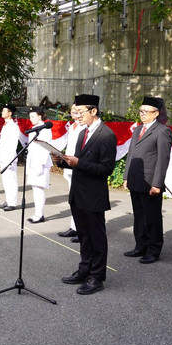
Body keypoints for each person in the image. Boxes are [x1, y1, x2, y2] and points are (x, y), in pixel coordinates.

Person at [55, 94, 117, 295]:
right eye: (75, 111)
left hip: (94, 195)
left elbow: (106, 168)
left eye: (80, 112)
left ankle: (96, 276)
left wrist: (78, 163)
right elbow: (77, 161)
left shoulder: (107, 135)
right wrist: (62, 161)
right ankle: (84, 269)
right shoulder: (83, 133)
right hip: (78, 192)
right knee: (83, 235)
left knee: (96, 237)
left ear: (93, 111)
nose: (77, 116)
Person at [122, 97, 172, 264]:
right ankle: (140, 245)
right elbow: (131, 154)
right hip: (136, 179)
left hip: (151, 181)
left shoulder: (162, 131)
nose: (142, 114)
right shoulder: (138, 130)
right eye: (140, 111)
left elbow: (163, 160)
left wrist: (157, 183)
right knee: (139, 215)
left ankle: (153, 249)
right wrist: (126, 176)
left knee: (152, 217)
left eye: (146, 112)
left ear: (156, 113)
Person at [57, 104, 86, 241]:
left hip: (78, 165)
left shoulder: (85, 126)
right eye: (73, 110)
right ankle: (74, 227)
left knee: (81, 201)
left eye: (77, 110)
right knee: (73, 200)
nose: (74, 112)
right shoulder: (73, 126)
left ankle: (82, 229)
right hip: (69, 165)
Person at [26, 107, 54, 224]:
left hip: (40, 163)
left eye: (33, 116)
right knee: (34, 188)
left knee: (39, 188)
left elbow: (45, 148)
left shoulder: (46, 129)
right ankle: (37, 213)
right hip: (32, 162)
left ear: (39, 116)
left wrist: (40, 165)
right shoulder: (34, 128)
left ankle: (40, 214)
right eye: (30, 116)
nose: (31, 119)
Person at [0, 104, 20, 211]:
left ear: (10, 113)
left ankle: (12, 203)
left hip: (9, 157)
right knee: (6, 180)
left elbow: (13, 144)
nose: (2, 112)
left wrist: (10, 159)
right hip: (3, 156)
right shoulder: (5, 125)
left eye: (4, 110)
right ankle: (8, 200)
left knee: (11, 180)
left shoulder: (14, 126)